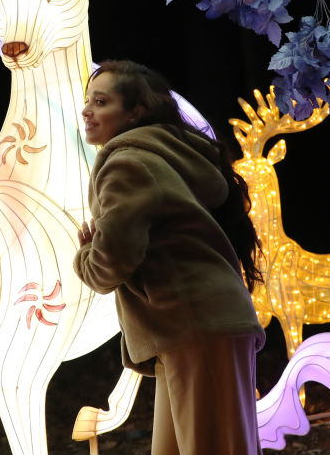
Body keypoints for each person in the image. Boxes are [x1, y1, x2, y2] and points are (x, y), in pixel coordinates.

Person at [73, 59, 265, 455]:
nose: (87, 110)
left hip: (193, 325)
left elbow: (110, 264)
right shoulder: (169, 155)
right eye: (88, 101)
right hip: (197, 327)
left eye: (101, 102)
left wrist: (86, 256)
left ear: (136, 111)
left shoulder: (127, 163)